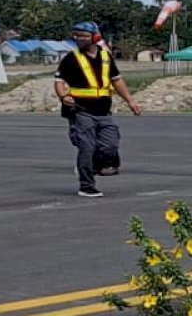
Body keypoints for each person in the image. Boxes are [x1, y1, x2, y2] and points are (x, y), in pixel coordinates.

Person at [53, 20, 142, 197]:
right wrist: (64, 96)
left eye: (84, 36)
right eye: (76, 35)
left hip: (103, 111)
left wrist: (130, 101)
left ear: (95, 37)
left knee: (110, 145)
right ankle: (87, 186)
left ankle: (92, 164)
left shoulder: (106, 57)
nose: (79, 39)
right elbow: (58, 81)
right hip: (80, 110)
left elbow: (117, 80)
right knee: (86, 147)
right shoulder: (70, 58)